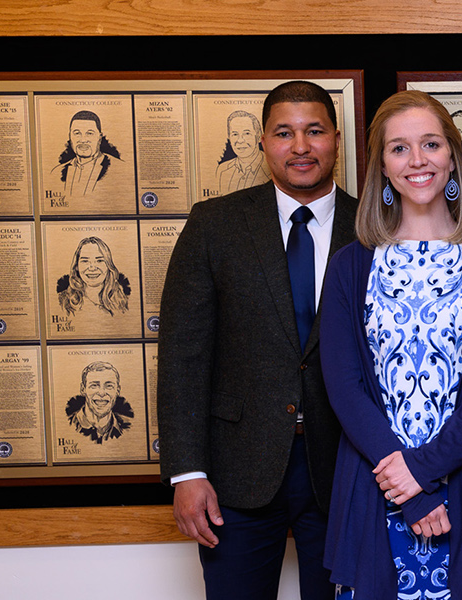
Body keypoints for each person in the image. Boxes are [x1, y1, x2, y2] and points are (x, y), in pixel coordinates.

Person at [158, 80, 358, 600]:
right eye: (284, 133)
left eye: (314, 131)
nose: (300, 147)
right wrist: (186, 472)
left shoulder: (375, 226)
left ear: (336, 139)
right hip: (235, 471)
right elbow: (183, 355)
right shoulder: (215, 225)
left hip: (346, 467)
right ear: (262, 142)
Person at [319, 90, 462, 600]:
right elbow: (342, 386)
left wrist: (422, 472)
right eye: (399, 148)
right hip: (375, 483)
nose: (418, 160)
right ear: (381, 165)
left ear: (453, 154)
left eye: (430, 144)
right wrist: (406, 487)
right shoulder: (350, 265)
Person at [53, 110, 125, 197]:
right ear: (70, 136)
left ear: (99, 137)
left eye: (89, 133)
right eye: (77, 133)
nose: (83, 140)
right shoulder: (56, 173)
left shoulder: (120, 169)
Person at [57, 236, 132, 317]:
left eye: (99, 260)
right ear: (76, 266)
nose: (92, 268)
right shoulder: (64, 301)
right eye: (85, 261)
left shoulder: (123, 300)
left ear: (108, 265)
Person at [66, 361, 132, 444]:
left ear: (117, 390)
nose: (101, 393)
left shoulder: (129, 427)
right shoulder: (67, 425)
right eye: (94, 385)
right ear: (83, 389)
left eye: (109, 386)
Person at [216, 110, 270, 193]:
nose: (240, 140)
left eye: (247, 133)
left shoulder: (272, 169)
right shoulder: (222, 170)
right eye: (235, 134)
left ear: (258, 136)